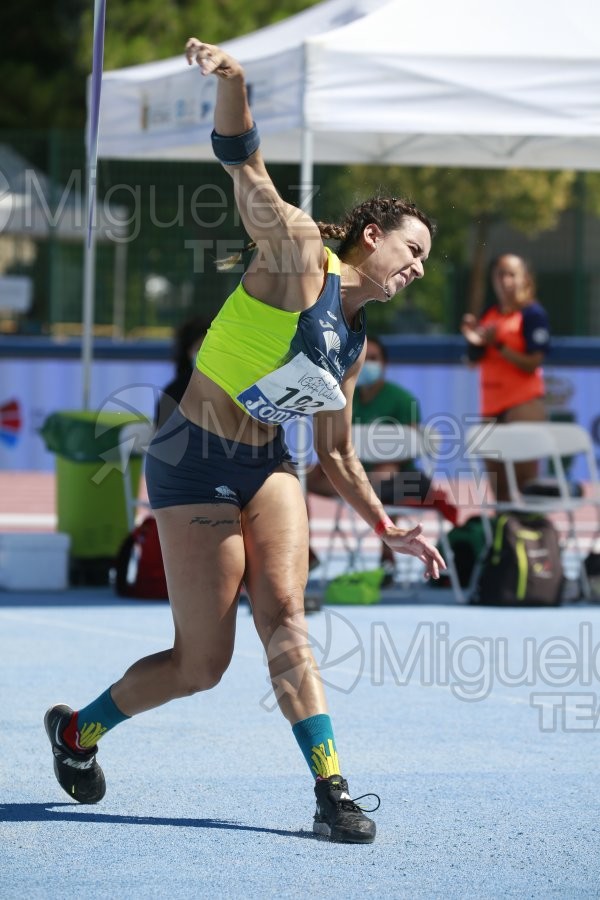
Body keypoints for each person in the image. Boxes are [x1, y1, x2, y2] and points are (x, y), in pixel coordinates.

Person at [44, 38, 445, 845]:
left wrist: (383, 525)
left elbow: (333, 451)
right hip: (192, 461)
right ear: (371, 235)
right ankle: (77, 734)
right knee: (202, 666)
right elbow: (245, 167)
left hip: (267, 465)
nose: (420, 269)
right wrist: (235, 81)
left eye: (427, 261)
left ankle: (333, 792)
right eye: (413, 250)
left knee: (288, 616)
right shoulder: (299, 257)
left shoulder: (354, 337)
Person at [307, 335, 458, 582]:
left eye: (374, 359)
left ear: (385, 364)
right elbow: (332, 451)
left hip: (399, 478)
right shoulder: (341, 400)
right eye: (363, 358)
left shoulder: (401, 400)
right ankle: (305, 552)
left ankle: (386, 556)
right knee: (294, 479)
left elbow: (407, 451)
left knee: (387, 473)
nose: (368, 364)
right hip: (355, 477)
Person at [461, 253, 550, 501]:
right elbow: (473, 360)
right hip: (491, 406)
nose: (506, 280)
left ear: (524, 278)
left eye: (512, 274)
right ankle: (506, 537)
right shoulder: (491, 314)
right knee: (499, 488)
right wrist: (474, 341)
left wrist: (498, 345)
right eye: (500, 274)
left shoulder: (532, 314)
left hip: (522, 403)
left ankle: (533, 536)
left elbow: (533, 363)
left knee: (525, 484)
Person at [155, 315, 209, 429]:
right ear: (188, 352)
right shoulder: (174, 393)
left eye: (210, 348)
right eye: (200, 348)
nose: (207, 354)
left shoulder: (232, 390)